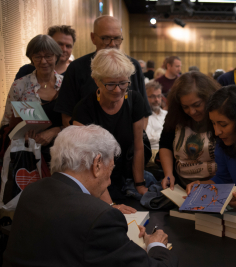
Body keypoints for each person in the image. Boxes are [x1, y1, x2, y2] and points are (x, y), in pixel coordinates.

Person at [2, 125, 178, 267]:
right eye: (111, 170)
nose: (109, 182)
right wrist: (156, 245)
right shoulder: (99, 216)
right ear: (97, 164)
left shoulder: (32, 192)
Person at [72, 49, 146, 210]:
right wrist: (109, 204)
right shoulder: (84, 110)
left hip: (124, 181)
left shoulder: (134, 101)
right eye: (111, 84)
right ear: (96, 80)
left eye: (123, 83)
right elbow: (85, 163)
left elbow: (138, 146)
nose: (118, 90)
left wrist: (140, 184)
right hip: (94, 185)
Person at [54, 15, 151, 127]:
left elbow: (143, 113)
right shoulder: (77, 68)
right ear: (93, 38)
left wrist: (136, 140)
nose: (112, 44)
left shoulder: (133, 66)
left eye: (117, 38)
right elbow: (67, 116)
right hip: (87, 141)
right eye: (105, 38)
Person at [1, 35, 64, 163]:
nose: (43, 61)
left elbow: (75, 122)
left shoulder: (66, 85)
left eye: (48, 56)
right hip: (26, 156)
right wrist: (20, 134)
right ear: (31, 59)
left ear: (56, 56)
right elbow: (6, 124)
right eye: (37, 56)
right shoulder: (19, 86)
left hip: (61, 153)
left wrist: (54, 131)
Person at [159, 72, 219, 189]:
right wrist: (168, 174)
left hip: (215, 185)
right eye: (185, 107)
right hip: (181, 185)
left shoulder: (219, 116)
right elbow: (165, 144)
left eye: (197, 105)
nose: (191, 112)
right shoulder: (175, 115)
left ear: (208, 98)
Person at [145, 81, 167, 156]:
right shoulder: (143, 117)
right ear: (145, 97)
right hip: (151, 153)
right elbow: (149, 138)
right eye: (152, 96)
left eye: (159, 96)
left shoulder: (167, 114)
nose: (157, 100)